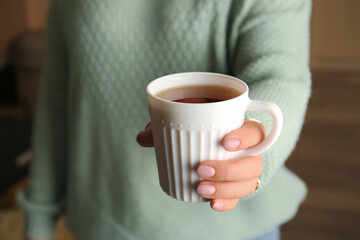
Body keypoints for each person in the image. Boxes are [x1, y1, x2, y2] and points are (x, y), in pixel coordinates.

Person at [17, 0, 312, 239]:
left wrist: (256, 137)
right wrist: (38, 217)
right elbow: (55, 106)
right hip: (101, 217)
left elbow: (280, 74)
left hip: (232, 228)